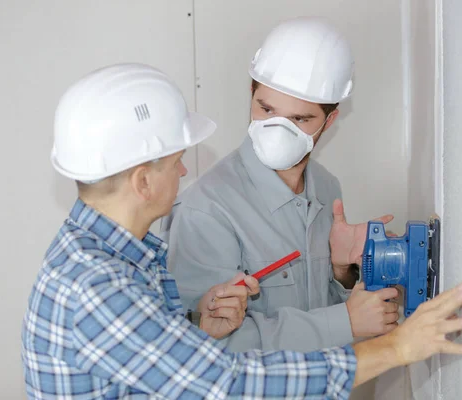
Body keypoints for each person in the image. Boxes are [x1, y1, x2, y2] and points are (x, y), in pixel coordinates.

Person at [22, 63, 462, 399]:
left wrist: (200, 326)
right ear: (142, 181)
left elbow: (151, 361)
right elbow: (228, 382)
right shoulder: (97, 286)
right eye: (176, 160)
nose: (183, 170)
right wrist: (395, 349)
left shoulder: (115, 257)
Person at [166, 16, 399, 352]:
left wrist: (341, 273)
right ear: (251, 93)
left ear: (329, 121)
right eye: (266, 109)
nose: (277, 130)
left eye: (299, 119)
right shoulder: (206, 209)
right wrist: (345, 321)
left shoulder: (326, 188)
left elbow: (316, 309)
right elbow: (209, 343)